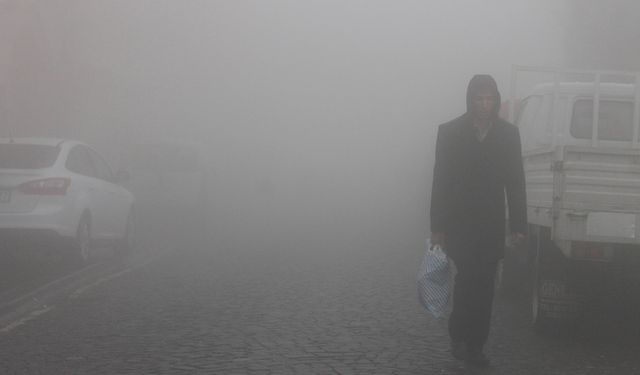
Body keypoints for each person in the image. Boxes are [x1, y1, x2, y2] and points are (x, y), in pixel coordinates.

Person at [429, 74, 527, 367]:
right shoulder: (450, 132)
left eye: (490, 99)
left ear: (496, 100)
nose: (485, 105)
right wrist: (437, 226)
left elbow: (516, 181)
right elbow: (440, 181)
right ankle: (459, 336)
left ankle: (476, 345)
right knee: (467, 279)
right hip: (460, 223)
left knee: (485, 285)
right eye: (479, 99)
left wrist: (519, 226)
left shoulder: (509, 134)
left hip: (491, 223)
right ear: (470, 100)